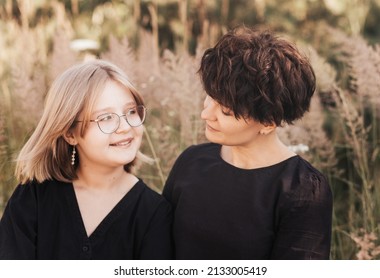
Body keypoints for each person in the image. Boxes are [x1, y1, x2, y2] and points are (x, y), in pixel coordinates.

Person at [163, 27, 333, 260]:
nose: (206, 114)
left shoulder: (303, 190)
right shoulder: (191, 161)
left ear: (268, 122)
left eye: (225, 110)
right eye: (210, 97)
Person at [0, 60, 173, 260]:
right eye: (106, 117)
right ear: (70, 133)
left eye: (131, 111)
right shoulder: (34, 196)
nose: (125, 126)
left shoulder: (154, 213)